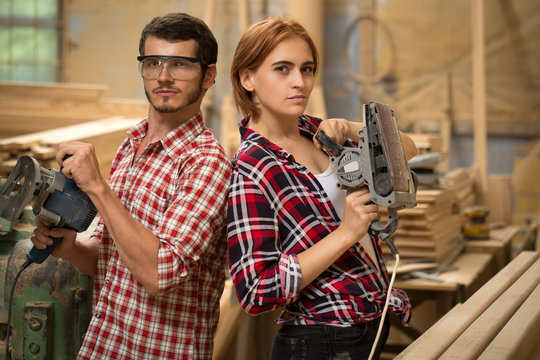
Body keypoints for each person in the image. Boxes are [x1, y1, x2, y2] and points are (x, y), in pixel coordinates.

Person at [30, 13, 232, 359]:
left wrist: (98, 188)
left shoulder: (207, 163)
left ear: (208, 75)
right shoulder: (133, 142)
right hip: (106, 344)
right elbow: (111, 258)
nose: (163, 76)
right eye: (153, 62)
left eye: (180, 64)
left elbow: (157, 273)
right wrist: (71, 249)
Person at [227, 17, 417, 359]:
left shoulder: (317, 131)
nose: (299, 82)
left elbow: (409, 149)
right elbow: (256, 290)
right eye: (282, 69)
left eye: (307, 68)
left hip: (367, 321)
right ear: (247, 78)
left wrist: (348, 126)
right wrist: (346, 233)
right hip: (320, 339)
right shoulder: (252, 167)